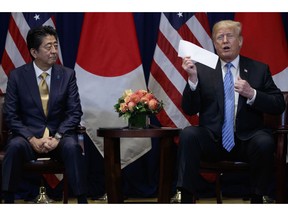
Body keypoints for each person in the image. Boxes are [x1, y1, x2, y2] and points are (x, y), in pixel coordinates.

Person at [177, 20, 286, 203]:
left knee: (265, 141)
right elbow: (189, 109)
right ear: (214, 43)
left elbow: (278, 104)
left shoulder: (258, 69)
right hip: (213, 140)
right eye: (219, 37)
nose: (225, 41)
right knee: (189, 134)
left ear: (240, 41)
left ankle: (259, 197)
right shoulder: (202, 70)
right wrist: (193, 80)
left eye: (230, 36)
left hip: (247, 140)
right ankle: (185, 197)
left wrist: (252, 93)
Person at [2, 25, 87, 203]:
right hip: (28, 138)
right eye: (48, 47)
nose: (54, 51)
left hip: (59, 137)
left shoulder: (67, 75)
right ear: (34, 52)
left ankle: (81, 200)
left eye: (55, 45)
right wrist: (31, 138)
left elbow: (74, 112)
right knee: (14, 147)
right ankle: (7, 200)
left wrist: (56, 137)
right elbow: (11, 114)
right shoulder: (17, 76)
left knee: (72, 147)